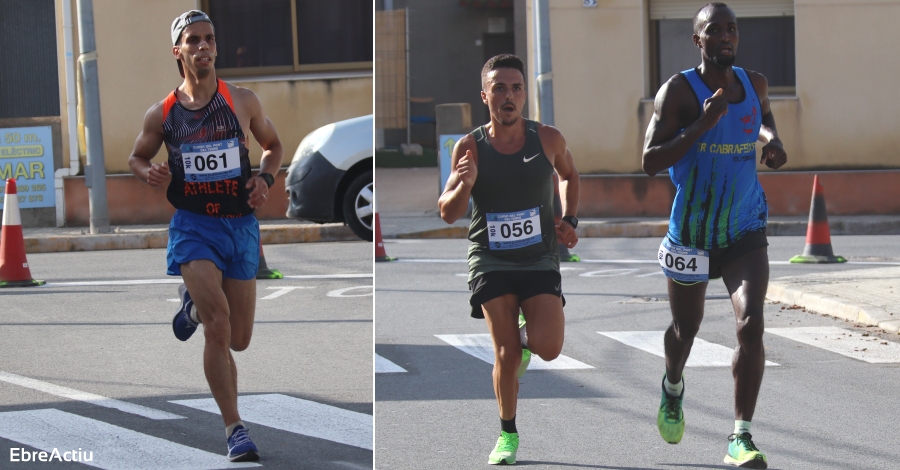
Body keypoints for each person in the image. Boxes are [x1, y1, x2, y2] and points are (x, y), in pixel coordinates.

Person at [127, 10, 283, 462]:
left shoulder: (242, 101)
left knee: (239, 339)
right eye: (192, 40)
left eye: (209, 39)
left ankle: (192, 306)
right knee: (219, 326)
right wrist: (148, 171)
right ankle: (235, 428)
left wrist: (265, 180)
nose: (203, 47)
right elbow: (137, 155)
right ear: (178, 51)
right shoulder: (164, 113)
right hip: (194, 225)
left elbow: (273, 147)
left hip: (240, 226)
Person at [641, 3, 787, 469]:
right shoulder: (679, 91)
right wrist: (702, 123)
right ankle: (672, 384)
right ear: (697, 40)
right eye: (714, 30)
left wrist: (773, 141)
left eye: (731, 29)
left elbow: (762, 115)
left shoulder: (754, 82)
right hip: (692, 233)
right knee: (687, 329)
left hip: (745, 226)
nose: (725, 36)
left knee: (752, 324)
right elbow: (649, 160)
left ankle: (740, 436)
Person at [439, 54, 580, 466]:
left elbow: (570, 175)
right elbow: (447, 211)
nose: (508, 95)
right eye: (499, 87)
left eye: (516, 87)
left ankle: (525, 339)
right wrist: (464, 185)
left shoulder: (548, 139)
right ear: (485, 96)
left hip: (539, 259)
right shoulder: (470, 147)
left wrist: (569, 218)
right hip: (490, 260)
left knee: (549, 347)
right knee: (504, 353)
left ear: (525, 96)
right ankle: (507, 434)